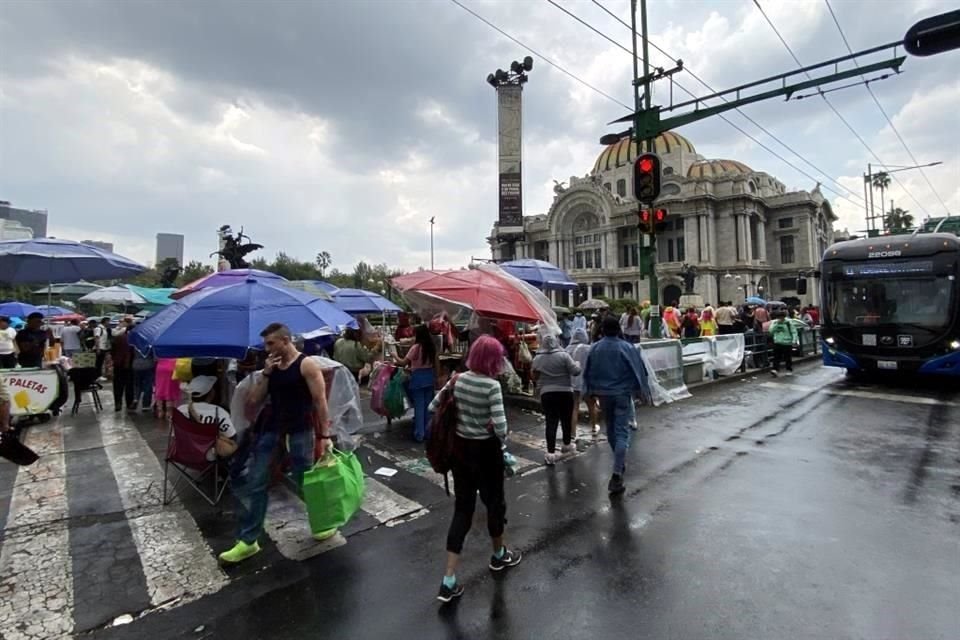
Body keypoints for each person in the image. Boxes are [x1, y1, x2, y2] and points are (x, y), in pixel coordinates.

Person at [219, 323, 332, 564]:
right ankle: (248, 541)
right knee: (257, 480)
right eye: (265, 344)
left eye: (271, 343)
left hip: (301, 428)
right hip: (271, 428)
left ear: (286, 340)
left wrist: (324, 436)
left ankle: (322, 522)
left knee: (306, 479)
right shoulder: (271, 367)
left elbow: (320, 401)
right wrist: (267, 374)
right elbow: (253, 400)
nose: (267, 348)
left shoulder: (306, 364)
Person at [430, 335, 522, 603]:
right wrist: (494, 427)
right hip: (486, 455)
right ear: (494, 360)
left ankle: (448, 580)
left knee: (463, 510)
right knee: (495, 505)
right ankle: (498, 556)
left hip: (460, 453)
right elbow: (502, 429)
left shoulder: (457, 379)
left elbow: (433, 406)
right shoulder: (491, 386)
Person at [583, 316, 648, 495]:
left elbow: (587, 372)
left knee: (611, 429)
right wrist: (640, 392)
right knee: (621, 432)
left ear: (602, 329)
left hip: (603, 394)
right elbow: (638, 370)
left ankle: (619, 462)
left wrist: (589, 392)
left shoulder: (594, 348)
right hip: (622, 394)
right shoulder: (626, 347)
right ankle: (617, 472)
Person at [531, 333, 581, 465]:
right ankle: (566, 444)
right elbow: (576, 371)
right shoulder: (564, 356)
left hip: (547, 394)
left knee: (551, 422)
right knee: (566, 419)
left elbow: (534, 377)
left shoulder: (537, 358)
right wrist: (577, 363)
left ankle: (551, 453)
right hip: (565, 392)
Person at [177, 375, 237, 460]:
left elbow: (174, 435)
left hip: (183, 453)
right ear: (211, 393)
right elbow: (231, 435)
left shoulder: (180, 410)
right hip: (208, 456)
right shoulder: (219, 412)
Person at [397, 324, 437, 442]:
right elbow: (436, 363)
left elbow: (403, 363)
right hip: (429, 377)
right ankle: (428, 432)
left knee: (419, 407)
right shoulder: (431, 347)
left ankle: (419, 434)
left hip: (418, 379)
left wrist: (394, 355)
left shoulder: (415, 348)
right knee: (428, 407)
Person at [565, 327, 595, 437]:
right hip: (587, 381)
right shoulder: (589, 349)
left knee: (574, 407)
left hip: (572, 382)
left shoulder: (567, 349)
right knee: (591, 405)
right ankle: (594, 428)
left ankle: (573, 433)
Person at [110, 320, 135, 412]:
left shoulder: (118, 338)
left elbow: (112, 350)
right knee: (129, 385)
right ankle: (129, 403)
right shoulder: (134, 340)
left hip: (118, 364)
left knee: (117, 384)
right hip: (129, 365)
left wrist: (114, 359)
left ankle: (118, 403)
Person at [769, 310, 797, 377]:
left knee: (787, 357)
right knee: (776, 357)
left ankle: (789, 369)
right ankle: (775, 370)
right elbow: (771, 331)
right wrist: (776, 325)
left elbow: (794, 331)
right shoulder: (775, 322)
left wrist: (794, 340)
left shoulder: (788, 322)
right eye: (779, 317)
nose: (780, 319)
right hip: (777, 342)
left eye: (781, 317)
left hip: (787, 342)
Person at [131, 347, 156, 412]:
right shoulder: (149, 345)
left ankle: (136, 398)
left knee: (137, 384)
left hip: (136, 365)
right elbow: (154, 356)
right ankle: (145, 405)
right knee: (147, 385)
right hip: (148, 365)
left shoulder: (136, 346)